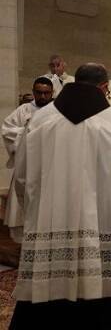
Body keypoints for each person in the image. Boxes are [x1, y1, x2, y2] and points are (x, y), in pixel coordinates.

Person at [10, 63, 111, 329]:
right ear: (105, 88)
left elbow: (23, 177)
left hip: (51, 226)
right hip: (102, 227)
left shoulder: (39, 121)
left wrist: (36, 210)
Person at [1, 77, 54, 241]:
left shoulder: (56, 110)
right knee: (21, 208)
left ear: (52, 93)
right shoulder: (23, 110)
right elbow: (7, 129)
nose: (43, 97)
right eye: (39, 93)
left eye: (46, 93)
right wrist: (27, 134)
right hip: (27, 163)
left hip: (49, 166)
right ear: (33, 92)